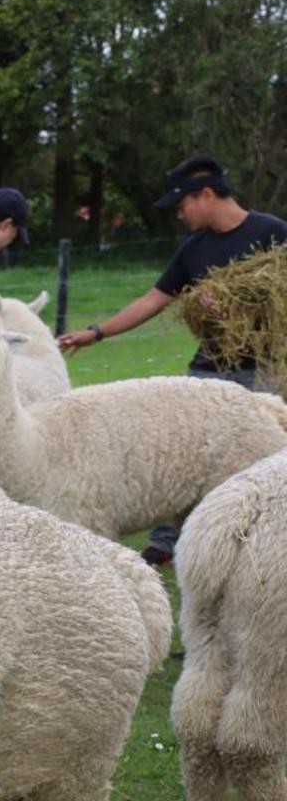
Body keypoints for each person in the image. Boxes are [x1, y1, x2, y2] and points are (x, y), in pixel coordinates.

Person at [57, 155, 287, 563]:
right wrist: (96, 333)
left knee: (265, 459)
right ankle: (166, 543)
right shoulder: (193, 250)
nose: (180, 214)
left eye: (182, 205)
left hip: (264, 370)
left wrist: (241, 308)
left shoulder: (273, 235)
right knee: (187, 452)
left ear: (207, 194)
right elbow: (154, 300)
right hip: (209, 372)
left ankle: (261, 540)